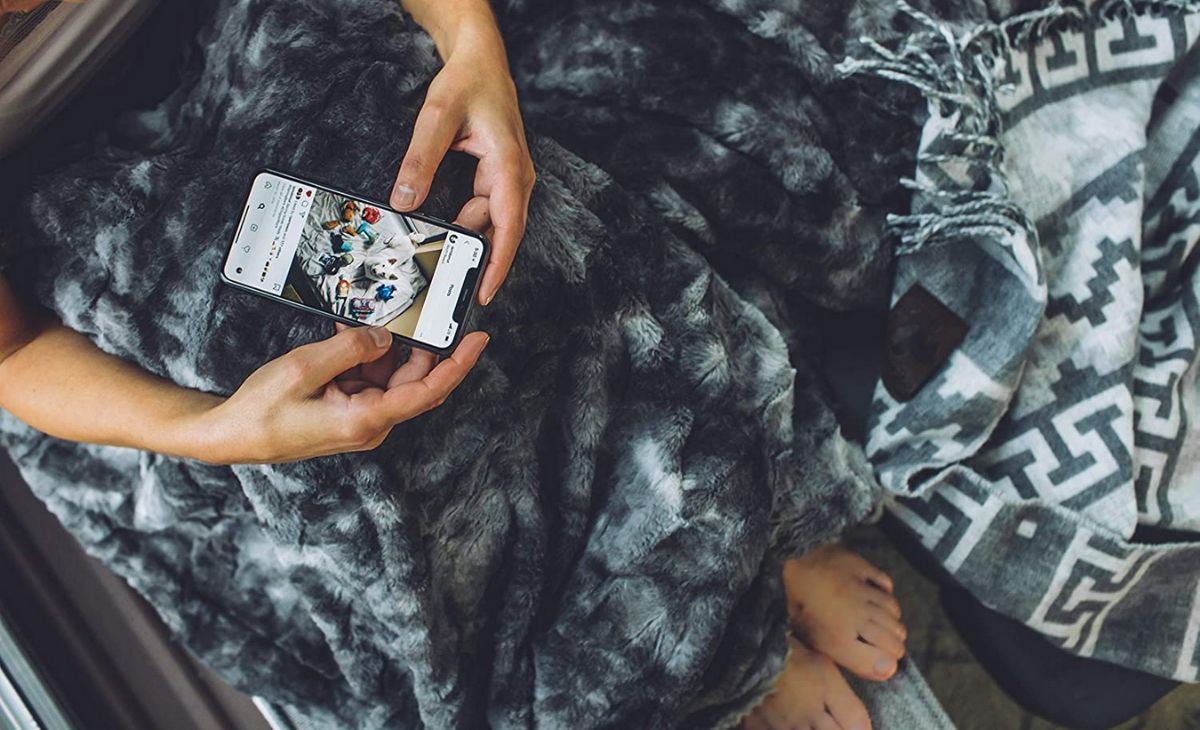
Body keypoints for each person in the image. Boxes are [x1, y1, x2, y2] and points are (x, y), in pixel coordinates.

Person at [0, 0, 906, 727]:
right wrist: (211, 431)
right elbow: (15, 349)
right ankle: (705, 614)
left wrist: (474, 49)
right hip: (69, 211)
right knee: (346, 389)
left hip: (244, 34)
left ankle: (748, 531)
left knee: (484, 228)